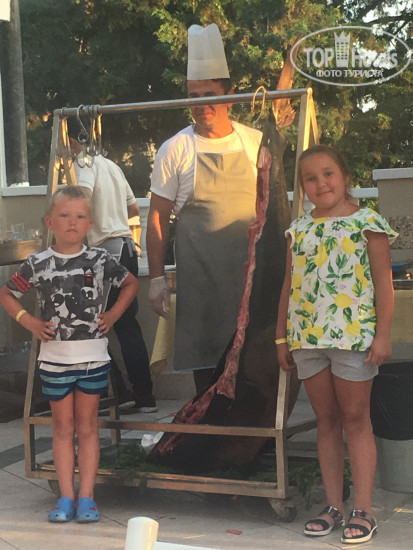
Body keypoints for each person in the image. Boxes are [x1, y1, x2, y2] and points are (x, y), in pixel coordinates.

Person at [276, 145, 397, 544]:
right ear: (303, 187)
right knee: (326, 421)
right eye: (310, 178)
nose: (321, 183)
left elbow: (383, 283)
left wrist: (382, 335)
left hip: (353, 338)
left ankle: (363, 509)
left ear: (344, 175)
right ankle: (333, 505)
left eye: (328, 173)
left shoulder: (367, 222)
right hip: (307, 338)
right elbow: (288, 285)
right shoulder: (298, 229)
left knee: (356, 419)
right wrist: (282, 336)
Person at [0, 186, 139, 522]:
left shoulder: (100, 260)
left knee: (87, 427)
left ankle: (87, 497)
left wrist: (113, 314)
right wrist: (29, 321)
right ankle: (65, 497)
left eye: (79, 216)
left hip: (92, 359)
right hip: (54, 361)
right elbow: (7, 294)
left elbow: (131, 283)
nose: (72, 222)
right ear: (50, 222)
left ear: (89, 224)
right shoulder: (37, 263)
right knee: (62, 428)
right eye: (64, 215)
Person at [147, 23, 262, 392]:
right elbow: (157, 217)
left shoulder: (255, 142)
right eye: (193, 96)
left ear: (229, 95)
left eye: (209, 95)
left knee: (253, 374)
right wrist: (156, 279)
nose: (201, 104)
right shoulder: (175, 149)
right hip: (200, 288)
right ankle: (210, 427)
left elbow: (271, 209)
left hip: (250, 281)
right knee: (208, 380)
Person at [68, 123, 157, 413]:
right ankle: (144, 395)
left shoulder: (83, 164)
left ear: (72, 141)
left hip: (105, 250)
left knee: (90, 322)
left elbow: (82, 198)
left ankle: (118, 391)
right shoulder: (111, 165)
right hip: (126, 248)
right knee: (127, 324)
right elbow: (133, 209)